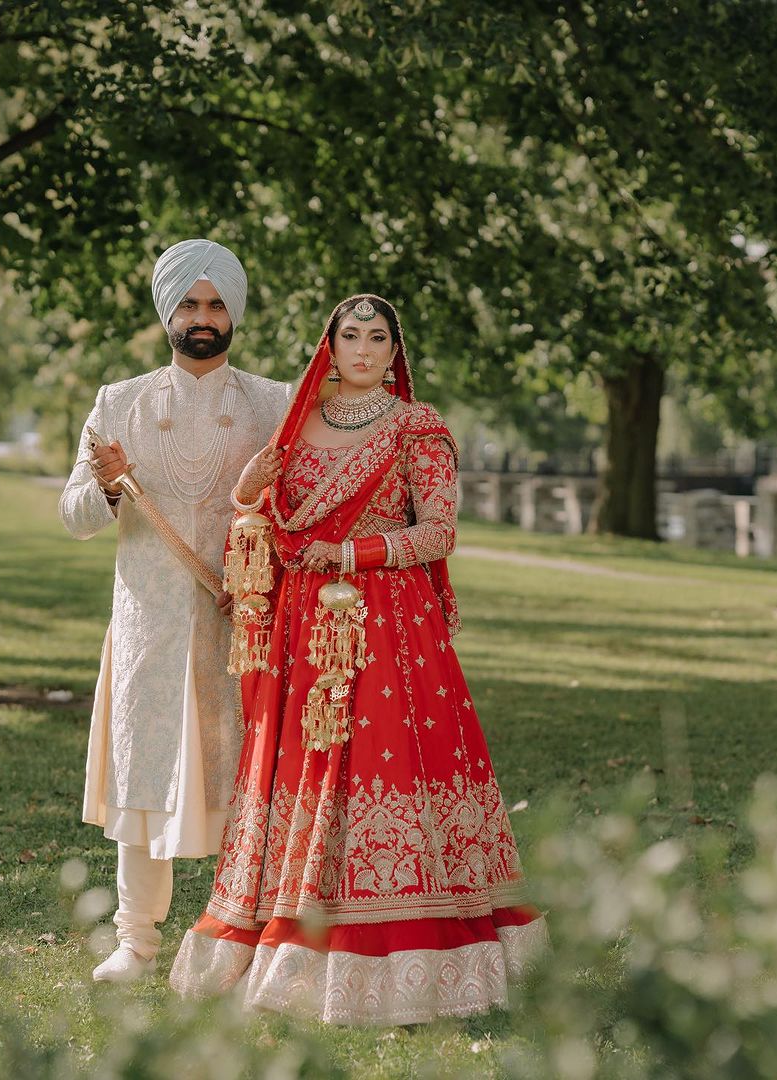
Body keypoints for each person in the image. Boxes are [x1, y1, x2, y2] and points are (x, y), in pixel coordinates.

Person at [169, 294, 546, 1024]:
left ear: (394, 351)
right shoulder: (296, 422)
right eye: (351, 336)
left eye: (378, 338)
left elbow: (438, 534)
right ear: (330, 344)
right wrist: (255, 485)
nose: (364, 350)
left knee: (385, 763)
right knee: (303, 768)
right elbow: (262, 514)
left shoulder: (417, 427)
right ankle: (287, 922)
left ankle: (407, 937)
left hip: (392, 630)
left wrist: (350, 552)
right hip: (304, 630)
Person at [59, 239, 292, 982]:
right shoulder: (118, 401)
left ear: (235, 313)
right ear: (168, 312)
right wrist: (111, 488)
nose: (202, 318)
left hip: (244, 621)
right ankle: (138, 943)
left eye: (216, 303)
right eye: (189, 304)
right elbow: (73, 515)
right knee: (145, 776)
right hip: (149, 623)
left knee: (248, 777)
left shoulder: (275, 402)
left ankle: (243, 937)